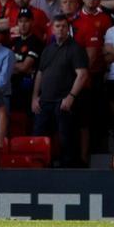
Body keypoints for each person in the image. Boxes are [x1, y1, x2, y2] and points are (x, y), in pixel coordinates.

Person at [32, 15, 89, 167]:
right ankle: (41, 170)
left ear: (68, 28)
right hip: (45, 101)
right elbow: (40, 73)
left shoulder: (75, 48)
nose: (60, 29)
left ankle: (67, 172)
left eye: (63, 26)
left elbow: (82, 75)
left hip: (63, 101)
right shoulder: (48, 50)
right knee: (39, 138)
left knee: (66, 140)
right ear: (52, 29)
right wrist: (34, 97)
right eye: (57, 26)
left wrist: (71, 97)